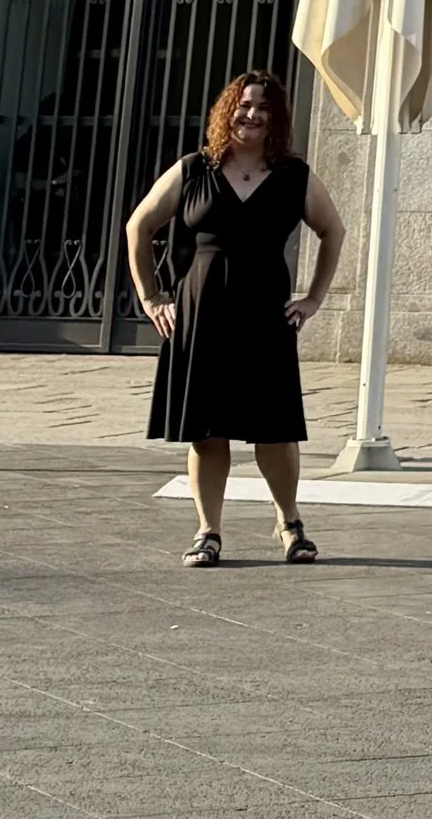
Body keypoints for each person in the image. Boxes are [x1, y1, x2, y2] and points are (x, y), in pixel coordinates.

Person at [126, 69, 344, 569]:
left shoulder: (294, 176)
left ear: (277, 119)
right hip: (202, 314)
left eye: (264, 108)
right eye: (245, 105)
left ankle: (289, 522)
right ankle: (208, 532)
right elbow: (139, 226)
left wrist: (312, 299)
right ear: (229, 110)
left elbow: (333, 231)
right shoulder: (193, 170)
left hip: (265, 314)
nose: (253, 114)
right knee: (207, 429)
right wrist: (152, 297)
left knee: (274, 429)